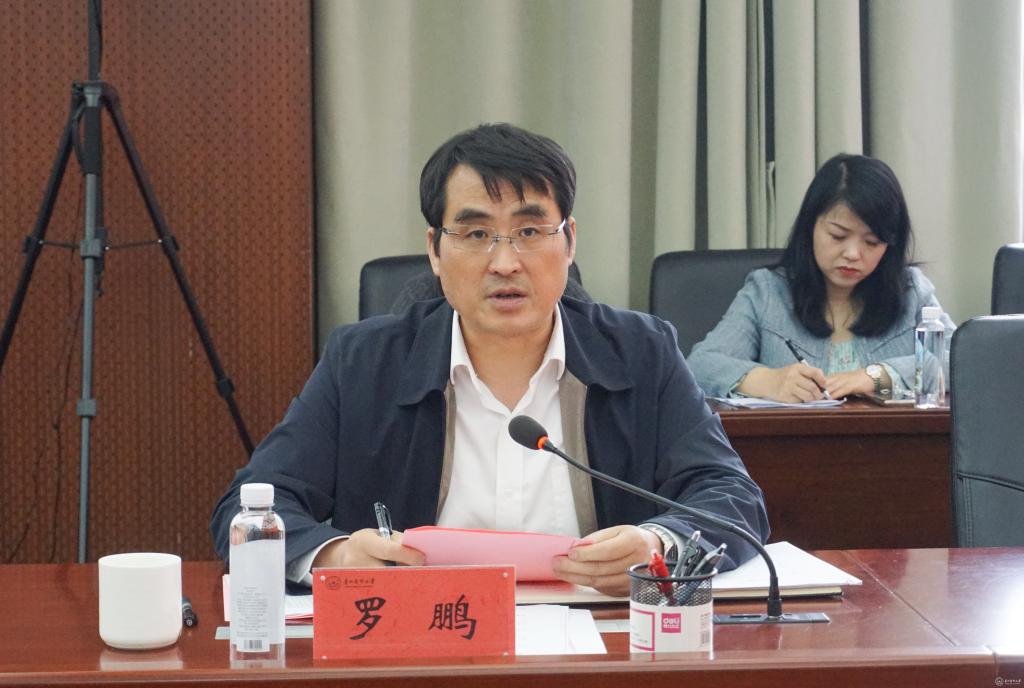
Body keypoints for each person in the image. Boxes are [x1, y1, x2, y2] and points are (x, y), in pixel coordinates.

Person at [210, 123, 768, 596]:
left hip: (604, 645)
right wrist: (336, 558)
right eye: (476, 233)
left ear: (569, 241)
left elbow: (732, 497)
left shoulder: (642, 353)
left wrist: (657, 544)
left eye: (529, 231)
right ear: (435, 250)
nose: (505, 262)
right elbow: (247, 511)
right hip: (420, 649)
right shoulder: (363, 363)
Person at [687, 153, 955, 402]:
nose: (853, 254)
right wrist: (769, 381)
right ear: (811, 227)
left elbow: (964, 360)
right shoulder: (767, 292)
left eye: (872, 242)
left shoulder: (911, 290)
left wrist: (879, 376)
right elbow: (700, 365)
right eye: (838, 236)